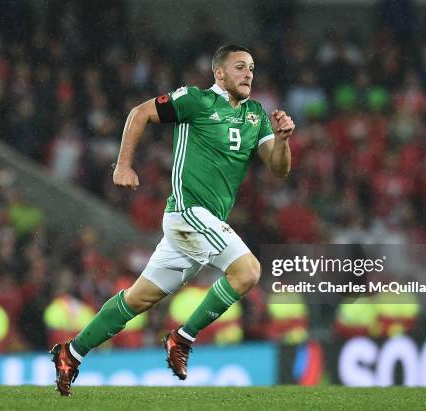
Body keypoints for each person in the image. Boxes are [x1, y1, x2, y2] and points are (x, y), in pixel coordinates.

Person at [50, 44, 295, 396]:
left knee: (138, 300)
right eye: (240, 67)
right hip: (188, 213)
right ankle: (181, 339)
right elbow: (139, 113)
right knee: (248, 271)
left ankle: (70, 354)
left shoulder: (255, 113)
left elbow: (279, 168)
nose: (248, 74)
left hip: (199, 226)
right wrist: (123, 164)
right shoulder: (196, 101)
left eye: (252, 68)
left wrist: (284, 140)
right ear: (220, 73)